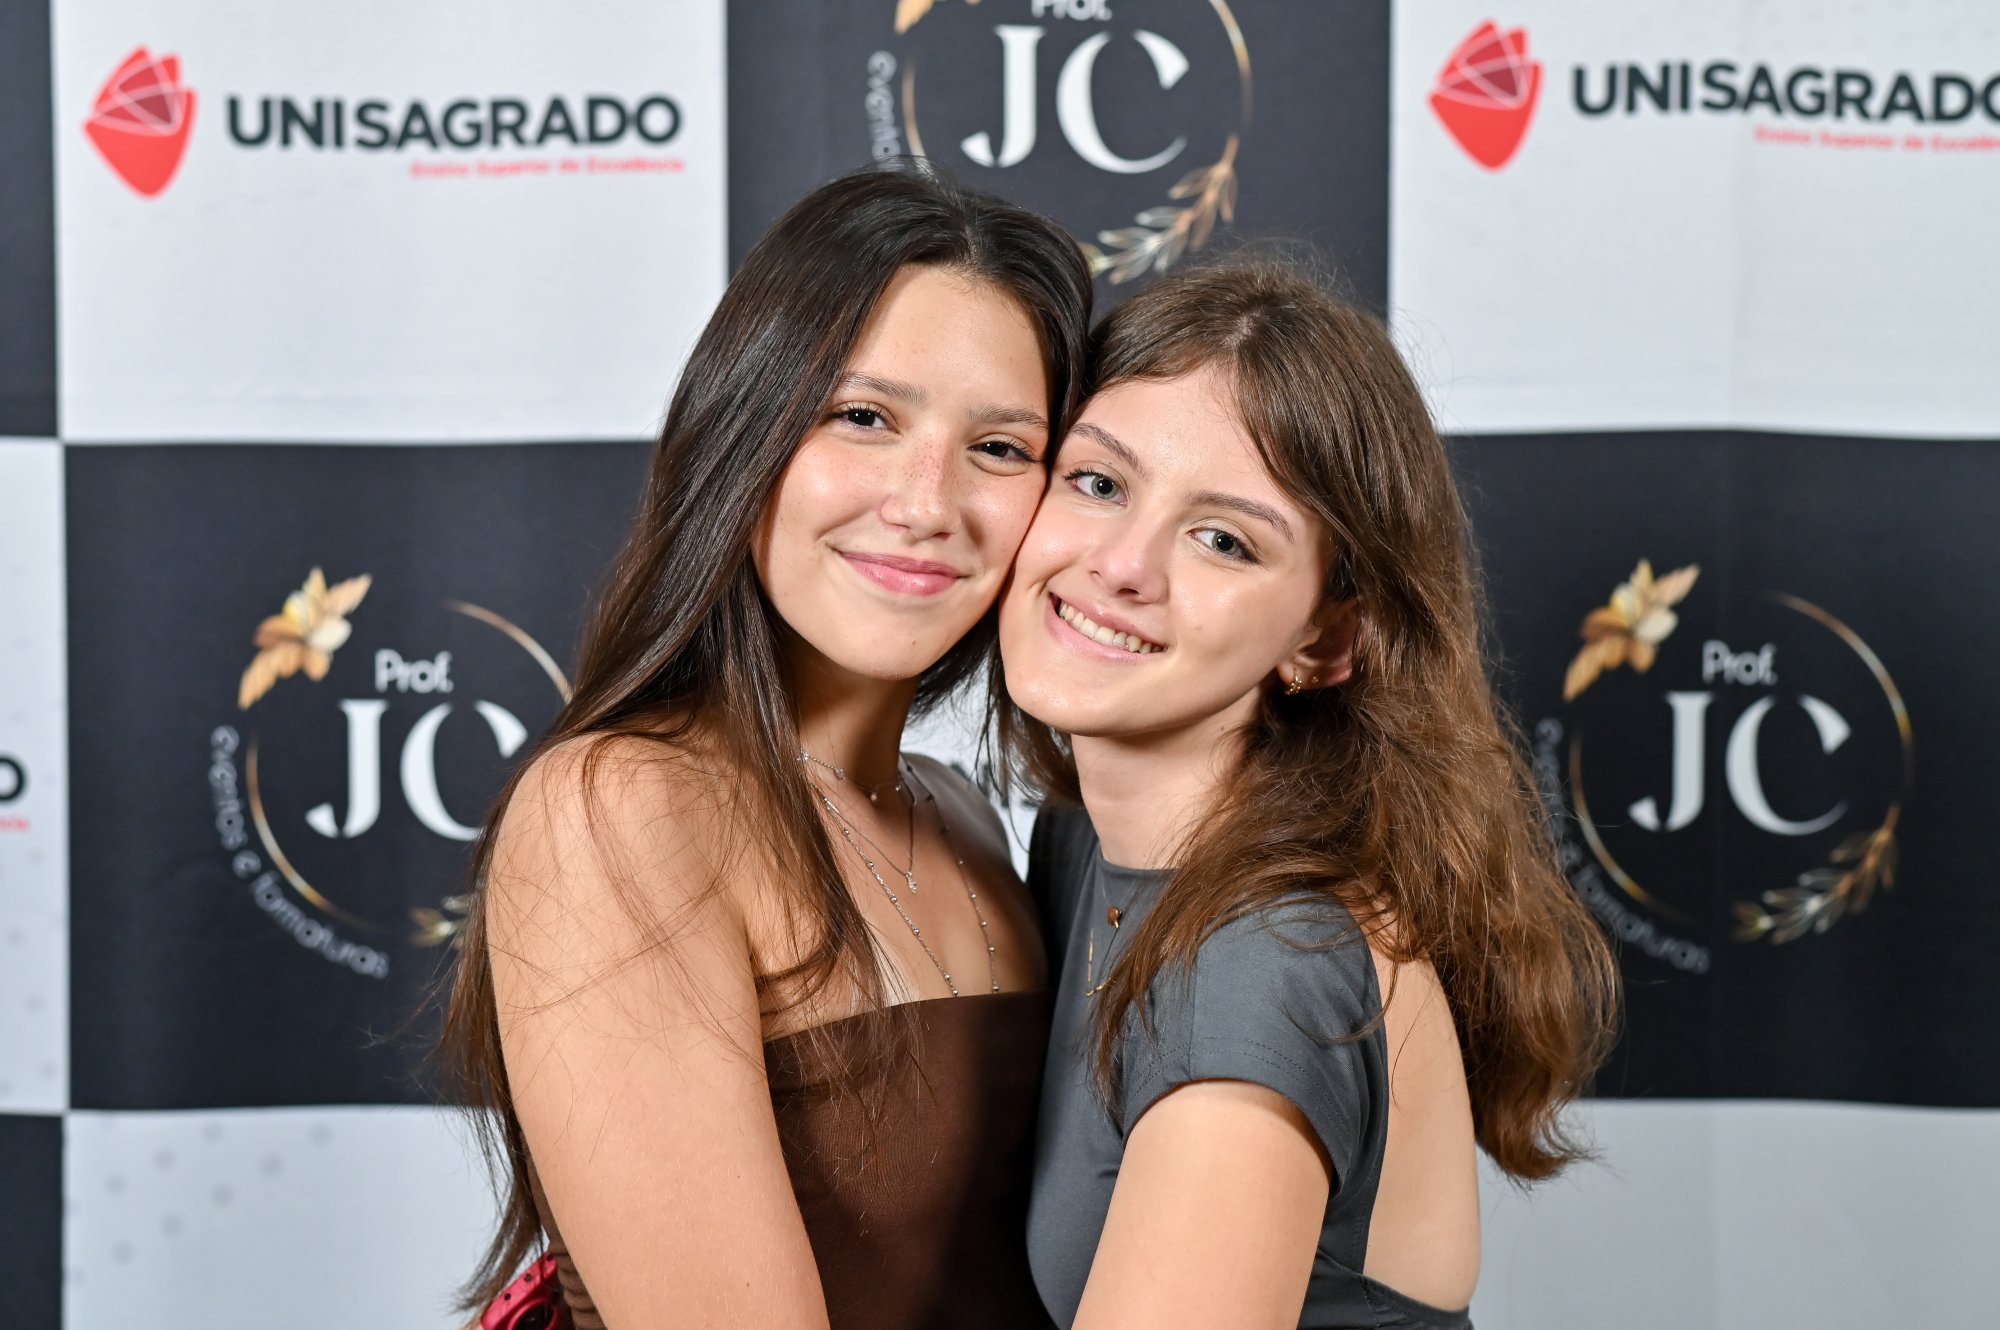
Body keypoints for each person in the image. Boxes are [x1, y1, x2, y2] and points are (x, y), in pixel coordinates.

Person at [438, 163, 1091, 1330]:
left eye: (1000, 447)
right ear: (744, 430)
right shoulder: (620, 808)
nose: (925, 502)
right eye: (863, 418)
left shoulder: (970, 820)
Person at [997, 258, 1620, 1329]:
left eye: (1222, 540)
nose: (1123, 564)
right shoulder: (1083, 840)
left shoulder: (1259, 967)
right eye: (1098, 482)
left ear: (1325, 641)